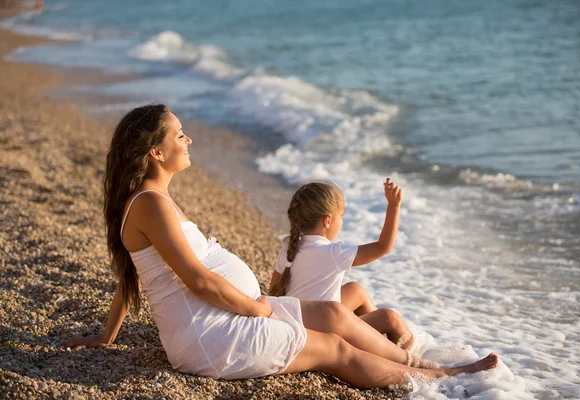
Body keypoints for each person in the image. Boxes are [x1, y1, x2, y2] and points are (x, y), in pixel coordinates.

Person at [62, 104, 499, 390]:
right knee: (333, 348)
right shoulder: (151, 205)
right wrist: (256, 308)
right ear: (156, 151)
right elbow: (196, 279)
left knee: (332, 313)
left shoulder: (154, 201)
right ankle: (434, 379)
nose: (188, 139)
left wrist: (106, 336)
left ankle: (413, 361)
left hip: (223, 313)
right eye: (180, 135)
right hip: (210, 336)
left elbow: (131, 273)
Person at [269, 180, 416, 350]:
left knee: (355, 290)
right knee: (390, 318)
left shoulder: (289, 249)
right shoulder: (333, 253)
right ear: (327, 221)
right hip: (324, 332)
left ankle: (374, 340)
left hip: (298, 320)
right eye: (342, 216)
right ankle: (407, 354)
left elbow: (274, 291)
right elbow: (383, 247)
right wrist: (394, 205)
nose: (342, 221)